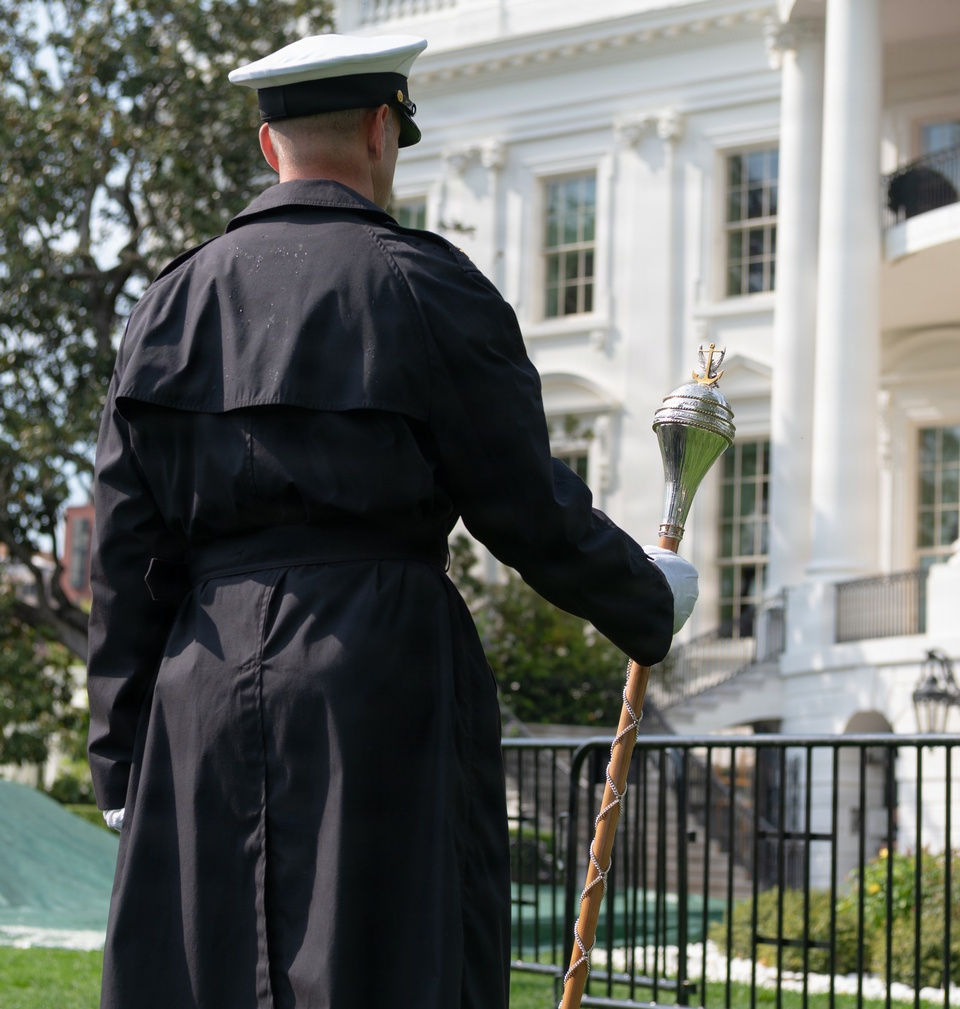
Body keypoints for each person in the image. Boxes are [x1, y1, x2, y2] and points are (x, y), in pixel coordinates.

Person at [86, 32, 698, 1009]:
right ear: (382, 131)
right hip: (377, 672)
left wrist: (119, 751)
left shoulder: (167, 304)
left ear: (265, 145)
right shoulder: (426, 285)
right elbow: (525, 503)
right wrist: (645, 599)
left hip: (198, 678)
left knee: (201, 974)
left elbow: (124, 552)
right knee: (389, 962)